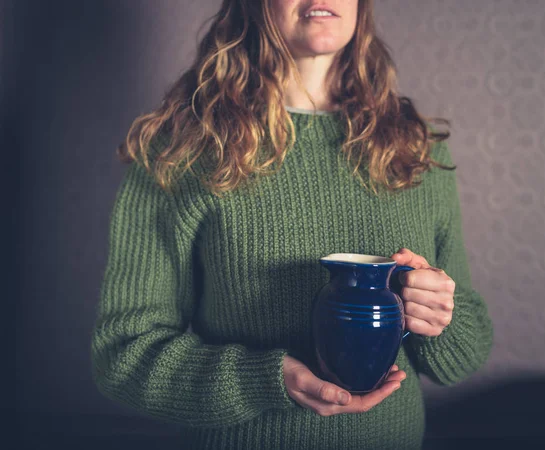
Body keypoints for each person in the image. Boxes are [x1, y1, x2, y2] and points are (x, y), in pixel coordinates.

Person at [91, 0, 494, 449]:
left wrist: (439, 318)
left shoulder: (416, 150)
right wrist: (264, 380)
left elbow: (464, 357)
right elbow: (124, 354)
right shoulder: (182, 149)